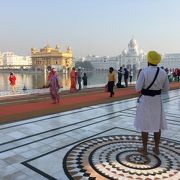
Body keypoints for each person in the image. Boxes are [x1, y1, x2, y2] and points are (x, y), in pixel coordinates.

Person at [134, 51, 169, 155]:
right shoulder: (163, 72)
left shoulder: (144, 72)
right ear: (157, 61)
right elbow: (166, 89)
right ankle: (156, 148)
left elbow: (137, 88)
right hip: (157, 101)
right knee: (156, 124)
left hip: (145, 101)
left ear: (148, 60)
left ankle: (144, 149)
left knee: (145, 125)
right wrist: (156, 90)